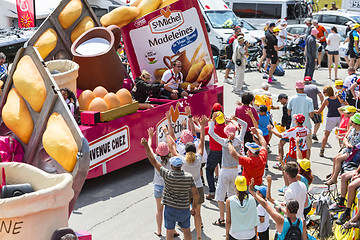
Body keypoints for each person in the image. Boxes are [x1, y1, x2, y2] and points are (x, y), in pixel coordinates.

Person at [141, 138, 198, 240]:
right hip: (184, 209)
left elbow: (154, 161)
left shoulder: (167, 175)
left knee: (169, 232)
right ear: (181, 166)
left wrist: (146, 146)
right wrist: (193, 207)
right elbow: (195, 194)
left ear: (172, 166)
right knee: (186, 230)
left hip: (170, 209)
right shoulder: (188, 177)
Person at [164, 115, 206, 240]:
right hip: (198, 188)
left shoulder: (182, 160)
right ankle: (198, 236)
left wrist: (167, 133)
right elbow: (202, 142)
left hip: (185, 189)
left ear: (186, 152)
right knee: (197, 214)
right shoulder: (198, 158)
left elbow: (172, 147)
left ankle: (186, 234)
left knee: (186, 215)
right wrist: (202, 127)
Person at [209, 113, 247, 228]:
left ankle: (222, 219)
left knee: (220, 197)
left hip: (225, 171)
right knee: (231, 195)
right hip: (235, 171)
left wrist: (212, 120)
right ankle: (232, 217)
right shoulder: (239, 140)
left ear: (226, 132)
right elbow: (244, 126)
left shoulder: (225, 142)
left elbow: (211, 133)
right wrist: (237, 119)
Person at [143, 128, 178, 237]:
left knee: (159, 210)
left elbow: (148, 147)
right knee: (171, 209)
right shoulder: (172, 160)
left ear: (158, 151)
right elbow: (173, 145)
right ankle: (173, 230)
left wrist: (150, 136)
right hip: (169, 188)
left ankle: (159, 230)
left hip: (158, 187)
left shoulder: (156, 159)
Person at [325, 112, 360, 186]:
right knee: (335, 158)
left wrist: (350, 146)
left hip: (354, 152)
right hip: (347, 148)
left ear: (357, 124)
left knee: (339, 159)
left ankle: (334, 179)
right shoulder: (351, 128)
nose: (351, 123)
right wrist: (347, 144)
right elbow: (345, 138)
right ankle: (332, 176)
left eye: (353, 122)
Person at [225, 176, 260, 240]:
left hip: (235, 235)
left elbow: (228, 221)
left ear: (235, 186)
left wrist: (227, 235)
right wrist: (255, 234)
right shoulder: (252, 199)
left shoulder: (229, 200)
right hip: (250, 235)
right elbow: (255, 219)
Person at [204, 103, 227, 200]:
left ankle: (212, 192)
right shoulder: (227, 127)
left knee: (209, 171)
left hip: (214, 152)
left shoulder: (211, 128)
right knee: (224, 172)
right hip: (225, 152)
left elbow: (198, 131)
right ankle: (225, 193)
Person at [287, 81, 314, 158]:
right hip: (306, 127)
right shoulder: (309, 100)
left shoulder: (292, 98)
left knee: (294, 146)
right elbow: (311, 114)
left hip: (294, 127)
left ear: (296, 89)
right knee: (307, 147)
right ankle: (306, 164)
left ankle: (295, 163)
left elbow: (289, 112)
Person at [315, 86, 343, 157]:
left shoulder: (327, 100)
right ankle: (342, 149)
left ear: (328, 92)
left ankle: (322, 150)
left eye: (324, 92)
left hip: (330, 118)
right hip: (339, 118)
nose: (323, 93)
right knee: (340, 134)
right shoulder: (338, 98)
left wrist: (311, 111)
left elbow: (319, 111)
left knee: (326, 135)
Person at [304, 76, 324, 141]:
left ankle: (305, 135)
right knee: (317, 122)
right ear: (311, 81)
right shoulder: (314, 87)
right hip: (314, 108)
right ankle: (314, 134)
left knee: (304, 122)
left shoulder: (302, 88)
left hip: (304, 108)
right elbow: (321, 96)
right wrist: (321, 104)